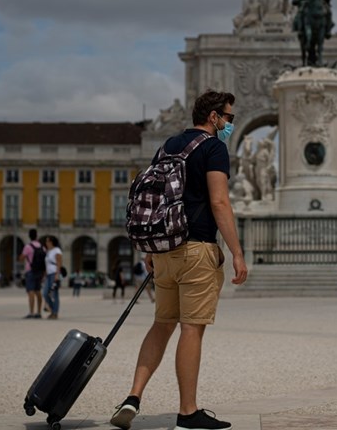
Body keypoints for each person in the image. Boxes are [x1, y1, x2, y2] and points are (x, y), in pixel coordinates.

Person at [110, 90, 248, 430]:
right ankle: (188, 412)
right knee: (191, 329)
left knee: (162, 324)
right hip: (196, 249)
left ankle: (133, 397)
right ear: (214, 117)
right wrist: (237, 252)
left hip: (163, 252)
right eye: (229, 118)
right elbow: (219, 202)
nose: (231, 123)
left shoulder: (169, 145)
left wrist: (149, 250)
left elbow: (151, 200)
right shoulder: (214, 148)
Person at [19, 229, 45, 319]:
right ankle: (39, 312)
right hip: (40, 271)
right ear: (36, 236)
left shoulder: (28, 247)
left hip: (30, 271)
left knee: (31, 292)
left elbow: (21, 258)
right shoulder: (42, 247)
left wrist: (23, 257)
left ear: (29, 236)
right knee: (38, 291)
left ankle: (31, 312)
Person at [42, 236, 62, 319]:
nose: (46, 243)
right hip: (49, 275)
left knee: (54, 294)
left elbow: (59, 263)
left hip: (54, 274)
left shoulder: (57, 250)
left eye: (47, 241)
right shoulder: (48, 251)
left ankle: (55, 313)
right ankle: (52, 309)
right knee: (45, 293)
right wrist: (45, 274)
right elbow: (47, 264)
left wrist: (57, 274)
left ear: (51, 242)